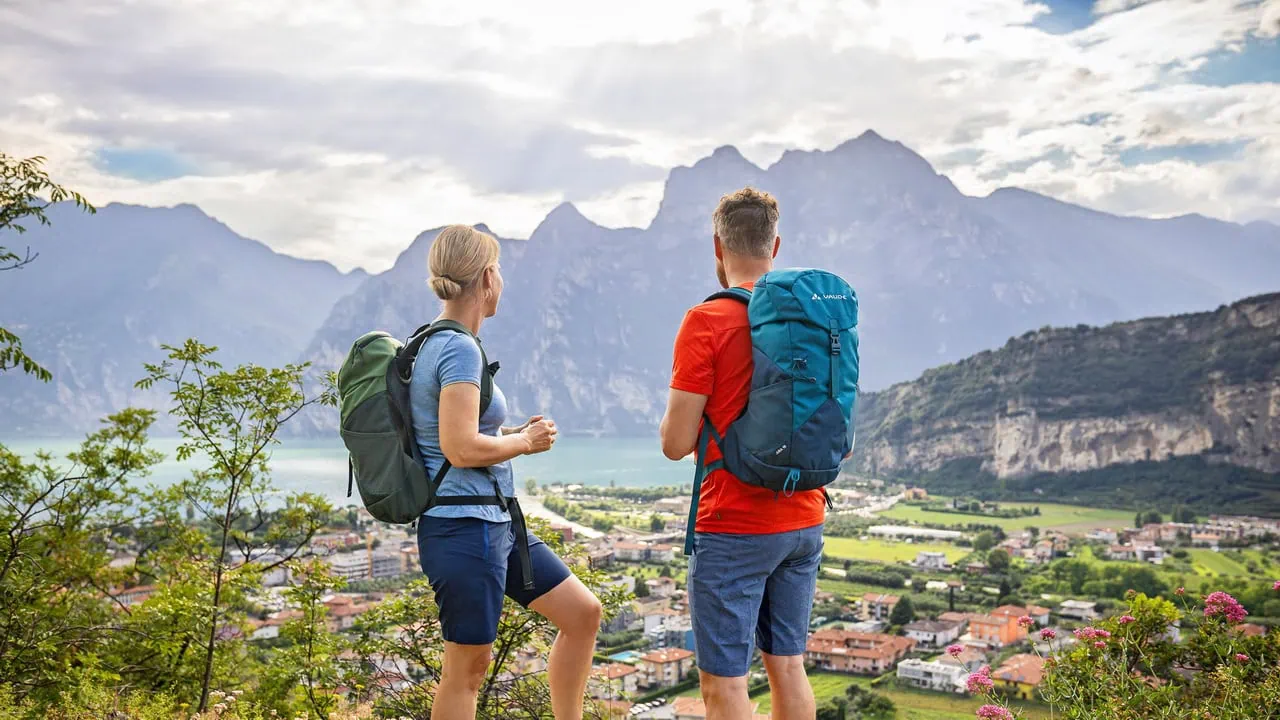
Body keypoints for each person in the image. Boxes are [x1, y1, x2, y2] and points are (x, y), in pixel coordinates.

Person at [411, 224, 603, 720]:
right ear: (487, 278)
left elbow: (455, 434)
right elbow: (458, 448)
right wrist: (525, 442)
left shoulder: (434, 342)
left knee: (582, 614)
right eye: (499, 270)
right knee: (467, 670)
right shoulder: (456, 348)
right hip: (464, 527)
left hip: (495, 522)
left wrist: (510, 432)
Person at [659, 189, 826, 720]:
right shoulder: (810, 319)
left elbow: (675, 444)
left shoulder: (707, 320)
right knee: (788, 666)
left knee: (724, 683)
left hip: (734, 525)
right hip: (804, 516)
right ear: (775, 245)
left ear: (717, 246)